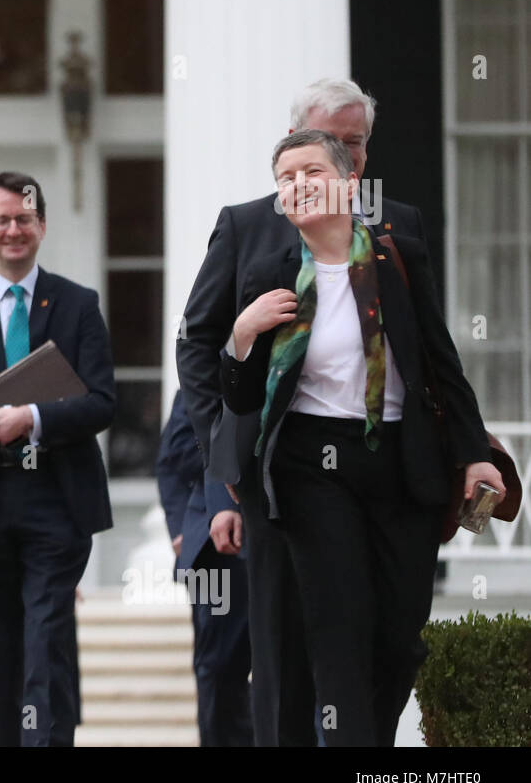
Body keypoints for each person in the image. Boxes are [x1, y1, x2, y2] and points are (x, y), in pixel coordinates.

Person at [221, 129, 502, 746]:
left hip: (404, 463)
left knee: (400, 640)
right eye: (285, 178)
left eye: (311, 171)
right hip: (312, 469)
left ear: (350, 183)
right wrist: (242, 336)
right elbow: (241, 400)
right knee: (338, 633)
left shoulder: (396, 259)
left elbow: (439, 359)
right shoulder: (271, 274)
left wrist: (474, 456)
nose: (297, 185)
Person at [175, 78, 431, 746]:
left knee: (380, 640)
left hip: (381, 465)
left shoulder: (398, 226)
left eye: (357, 144)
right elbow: (199, 345)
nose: (346, 155)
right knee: (286, 651)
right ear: (295, 141)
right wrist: (225, 458)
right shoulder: (245, 224)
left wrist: (467, 451)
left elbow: (429, 356)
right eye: (329, 142)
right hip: (272, 470)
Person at [0, 171, 115, 747]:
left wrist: (32, 417)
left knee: (46, 640)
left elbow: (103, 401)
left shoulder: (79, 304)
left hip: (57, 499)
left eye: (24, 219)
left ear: (42, 225)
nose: (13, 230)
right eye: (2, 220)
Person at [155, 389, 252, 747]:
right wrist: (180, 527)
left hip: (285, 532)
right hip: (212, 551)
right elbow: (172, 456)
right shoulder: (207, 374)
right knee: (217, 669)